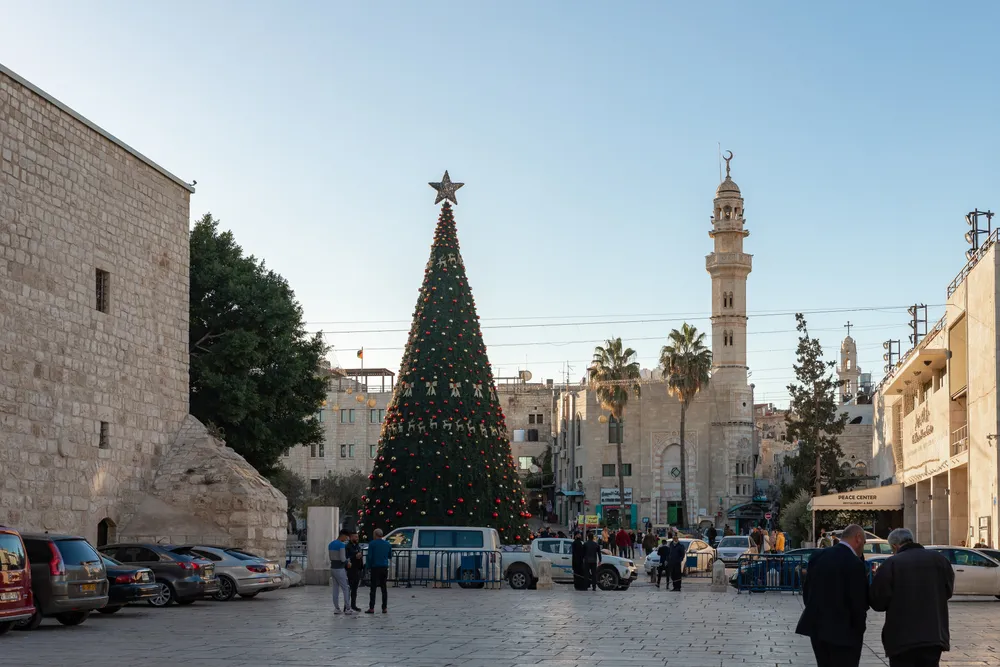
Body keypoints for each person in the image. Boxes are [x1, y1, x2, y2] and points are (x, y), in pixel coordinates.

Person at [869, 528, 954, 667]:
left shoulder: (891, 564)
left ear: (895, 546)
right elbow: (948, 592)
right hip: (933, 635)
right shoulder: (940, 560)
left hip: (901, 639)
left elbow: (878, 602)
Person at [795, 524, 869, 667]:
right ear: (858, 538)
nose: (863, 548)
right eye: (864, 543)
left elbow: (807, 591)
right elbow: (859, 602)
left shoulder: (818, 556)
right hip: (844, 632)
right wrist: (859, 629)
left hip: (818, 629)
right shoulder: (854, 563)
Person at [365, 528, 392, 614]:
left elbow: (369, 557)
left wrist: (368, 566)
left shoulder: (372, 544)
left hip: (375, 567)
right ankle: (384, 607)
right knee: (384, 588)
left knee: (373, 588)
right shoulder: (387, 544)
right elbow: (390, 555)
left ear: (375, 535)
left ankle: (371, 607)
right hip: (384, 567)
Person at [328, 528, 351, 614]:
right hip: (340, 569)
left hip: (333, 567)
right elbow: (342, 558)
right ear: (343, 536)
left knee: (335, 589)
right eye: (346, 537)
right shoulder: (341, 545)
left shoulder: (331, 544)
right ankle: (348, 608)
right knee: (345, 588)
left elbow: (330, 557)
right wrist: (347, 562)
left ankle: (337, 608)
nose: (346, 539)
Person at [345, 530, 364, 612]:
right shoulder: (348, 546)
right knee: (349, 588)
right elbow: (346, 558)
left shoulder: (357, 546)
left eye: (357, 537)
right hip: (351, 569)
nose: (357, 538)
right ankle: (346, 605)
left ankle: (353, 605)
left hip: (357, 569)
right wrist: (355, 556)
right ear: (351, 537)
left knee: (355, 589)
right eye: (355, 537)